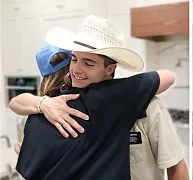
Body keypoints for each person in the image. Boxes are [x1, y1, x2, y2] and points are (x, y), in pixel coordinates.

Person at [9, 15, 176, 180]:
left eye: (88, 63)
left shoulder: (39, 113)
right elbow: (168, 76)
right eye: (74, 60)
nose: (76, 70)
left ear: (110, 68)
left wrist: (29, 151)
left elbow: (15, 104)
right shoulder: (53, 105)